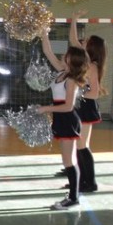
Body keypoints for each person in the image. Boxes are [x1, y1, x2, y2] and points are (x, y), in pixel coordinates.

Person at [45, 12, 106, 194]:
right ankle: (80, 180)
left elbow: (94, 92)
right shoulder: (82, 62)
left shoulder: (92, 66)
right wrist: (73, 19)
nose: (82, 41)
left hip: (85, 108)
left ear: (91, 47)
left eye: (86, 41)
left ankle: (90, 182)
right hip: (79, 107)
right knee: (77, 146)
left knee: (81, 146)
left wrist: (78, 95)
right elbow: (72, 39)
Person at [38, 30, 88, 210]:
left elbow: (68, 106)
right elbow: (48, 52)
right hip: (61, 118)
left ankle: (73, 197)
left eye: (67, 54)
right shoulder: (62, 71)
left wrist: (46, 109)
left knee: (68, 160)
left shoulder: (72, 80)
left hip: (67, 119)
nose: (63, 55)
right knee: (68, 159)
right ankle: (74, 195)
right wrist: (44, 33)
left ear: (71, 60)